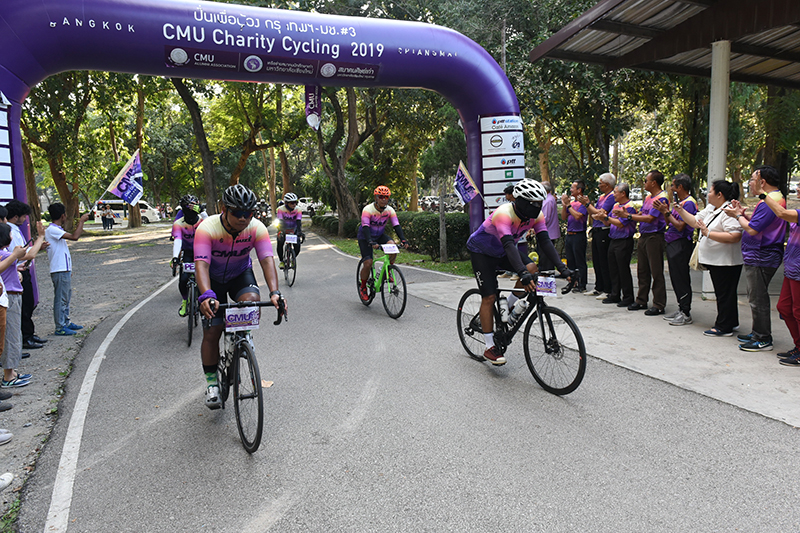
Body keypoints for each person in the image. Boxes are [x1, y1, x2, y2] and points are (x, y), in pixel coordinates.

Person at [194, 184, 282, 409]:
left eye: (248, 213)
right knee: (212, 330)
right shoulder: (207, 228)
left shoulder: (256, 228)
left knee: (251, 301)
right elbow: (201, 265)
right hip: (212, 279)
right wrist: (206, 295)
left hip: (240, 275)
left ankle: (242, 336)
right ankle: (212, 384)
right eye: (237, 213)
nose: (243, 218)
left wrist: (274, 293)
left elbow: (266, 260)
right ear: (224, 209)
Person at [466, 179, 573, 366]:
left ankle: (507, 308)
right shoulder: (504, 213)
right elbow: (509, 244)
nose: (537, 207)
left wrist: (563, 269)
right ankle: (489, 347)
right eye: (533, 204)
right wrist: (521, 273)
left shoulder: (536, 215)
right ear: (521, 201)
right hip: (482, 252)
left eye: (540, 203)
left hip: (502, 251)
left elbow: (545, 242)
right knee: (489, 297)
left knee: (532, 269)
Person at [724, 166, 787, 351]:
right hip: (760, 254)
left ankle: (763, 338)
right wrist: (743, 214)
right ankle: (757, 332)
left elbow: (752, 229)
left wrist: (737, 216)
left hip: (762, 255)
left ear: (762, 182)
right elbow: (758, 222)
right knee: (755, 295)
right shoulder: (772, 199)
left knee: (758, 298)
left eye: (752, 179)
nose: (749, 183)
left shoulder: (770, 201)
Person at [676, 180, 743, 337]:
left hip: (726, 261)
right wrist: (680, 211)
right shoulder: (712, 208)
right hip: (716, 260)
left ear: (719, 195)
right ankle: (731, 322)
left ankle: (723, 326)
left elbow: (735, 236)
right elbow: (695, 222)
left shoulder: (729, 211)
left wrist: (709, 234)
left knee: (724, 293)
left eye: (711, 191)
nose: (708, 194)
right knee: (725, 293)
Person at [756, 186, 800, 365]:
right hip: (792, 269)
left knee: (797, 311)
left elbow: (781, 213)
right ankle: (798, 346)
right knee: (784, 308)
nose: (798, 188)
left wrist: (763, 195)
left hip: (798, 271)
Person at [0, 222, 41, 388]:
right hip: (9, 298)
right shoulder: (5, 255)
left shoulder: (5, 255)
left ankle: (11, 372)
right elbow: (30, 254)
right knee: (11, 336)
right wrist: (15, 256)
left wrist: (16, 267)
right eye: (10, 234)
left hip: (12, 296)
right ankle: (8, 376)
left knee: (13, 334)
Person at [656, 174, 698, 326]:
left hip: (681, 243)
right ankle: (681, 308)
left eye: (673, 186)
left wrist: (667, 212)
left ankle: (686, 312)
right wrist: (664, 211)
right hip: (672, 241)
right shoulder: (679, 203)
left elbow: (680, 226)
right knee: (675, 277)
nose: (671, 188)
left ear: (680, 187)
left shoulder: (689, 203)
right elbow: (670, 222)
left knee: (681, 277)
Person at [5, 200, 48, 350]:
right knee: (23, 306)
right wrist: (40, 238)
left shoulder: (15, 230)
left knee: (28, 304)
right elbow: (24, 255)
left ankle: (29, 333)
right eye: (23, 216)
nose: (25, 219)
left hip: (22, 269)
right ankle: (25, 337)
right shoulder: (9, 232)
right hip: (17, 272)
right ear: (16, 216)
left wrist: (37, 247)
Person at [45, 203, 90, 336]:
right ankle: (60, 326)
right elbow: (75, 237)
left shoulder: (56, 230)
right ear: (62, 216)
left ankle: (66, 321)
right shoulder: (53, 230)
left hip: (63, 269)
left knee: (65, 297)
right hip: (59, 269)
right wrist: (81, 221)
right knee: (61, 298)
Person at [627, 171, 669, 315]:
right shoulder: (648, 198)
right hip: (644, 235)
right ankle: (641, 300)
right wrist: (636, 215)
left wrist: (629, 216)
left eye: (646, 180)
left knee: (656, 271)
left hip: (654, 236)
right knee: (642, 270)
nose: (644, 183)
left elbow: (651, 218)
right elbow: (644, 214)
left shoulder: (661, 198)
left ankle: (659, 304)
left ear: (654, 183)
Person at [357, 186, 408, 301]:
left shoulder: (389, 210)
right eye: (381, 197)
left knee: (393, 247)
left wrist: (403, 239)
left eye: (386, 197)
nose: (384, 199)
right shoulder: (368, 209)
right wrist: (370, 241)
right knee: (368, 263)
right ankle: (363, 286)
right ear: (376, 198)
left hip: (379, 235)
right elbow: (365, 226)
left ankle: (387, 271)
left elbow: (396, 225)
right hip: (365, 237)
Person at [595, 183, 637, 307]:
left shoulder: (629, 207)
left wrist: (606, 218)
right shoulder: (615, 205)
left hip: (624, 240)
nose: (614, 195)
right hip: (613, 239)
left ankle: (628, 296)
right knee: (613, 268)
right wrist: (602, 218)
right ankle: (615, 294)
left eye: (615, 192)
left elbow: (620, 223)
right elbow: (609, 223)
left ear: (623, 193)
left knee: (623, 269)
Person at [583, 172, 616, 298]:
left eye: (600, 183)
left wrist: (588, 205)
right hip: (596, 229)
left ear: (607, 185)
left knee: (603, 261)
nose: (599, 185)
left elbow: (601, 213)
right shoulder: (602, 197)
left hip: (604, 230)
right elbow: (594, 213)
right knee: (596, 260)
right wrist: (587, 205)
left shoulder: (611, 197)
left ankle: (607, 289)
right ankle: (599, 287)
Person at [171, 194, 205, 317]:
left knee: (204, 279)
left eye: (193, 207)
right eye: (188, 208)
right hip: (188, 253)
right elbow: (178, 240)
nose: (191, 210)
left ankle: (203, 302)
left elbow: (212, 225)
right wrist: (175, 257)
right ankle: (185, 301)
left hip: (202, 253)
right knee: (183, 279)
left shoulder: (202, 221)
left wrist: (203, 211)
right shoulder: (178, 223)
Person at [561, 180, 588, 293]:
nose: (571, 190)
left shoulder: (584, 202)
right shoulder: (572, 203)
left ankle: (582, 284)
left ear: (579, 190)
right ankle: (572, 282)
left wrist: (568, 205)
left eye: (573, 188)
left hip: (579, 234)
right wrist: (564, 205)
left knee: (579, 260)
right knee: (570, 260)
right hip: (570, 234)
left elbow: (577, 216)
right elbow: (563, 217)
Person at [275, 192, 305, 269]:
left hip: (294, 229)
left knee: (297, 245)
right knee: (280, 243)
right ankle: (281, 261)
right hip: (283, 228)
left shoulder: (298, 209)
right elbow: (280, 221)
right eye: (292, 203)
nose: (294, 204)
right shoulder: (280, 209)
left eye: (295, 202)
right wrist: (281, 231)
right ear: (286, 203)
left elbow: (298, 222)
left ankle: (292, 259)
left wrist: (300, 232)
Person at [537, 181, 561, 272]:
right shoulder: (548, 199)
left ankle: (546, 277)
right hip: (548, 233)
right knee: (545, 257)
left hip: (547, 234)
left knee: (546, 259)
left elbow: (545, 218)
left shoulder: (547, 201)